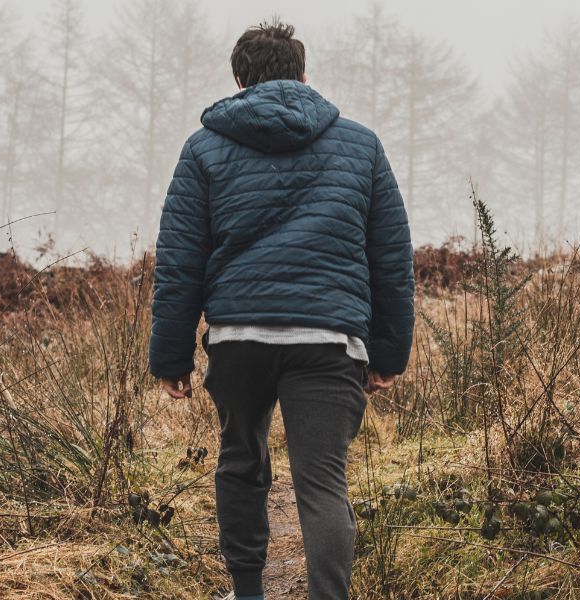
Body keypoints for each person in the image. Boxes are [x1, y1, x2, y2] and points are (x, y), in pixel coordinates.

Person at [148, 18, 415, 600]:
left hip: (239, 336)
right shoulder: (361, 145)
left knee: (241, 461)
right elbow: (390, 256)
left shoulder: (203, 149)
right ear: (302, 74)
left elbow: (179, 259)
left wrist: (171, 354)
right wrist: (389, 351)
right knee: (322, 483)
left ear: (239, 79)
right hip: (327, 340)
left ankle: (247, 593)